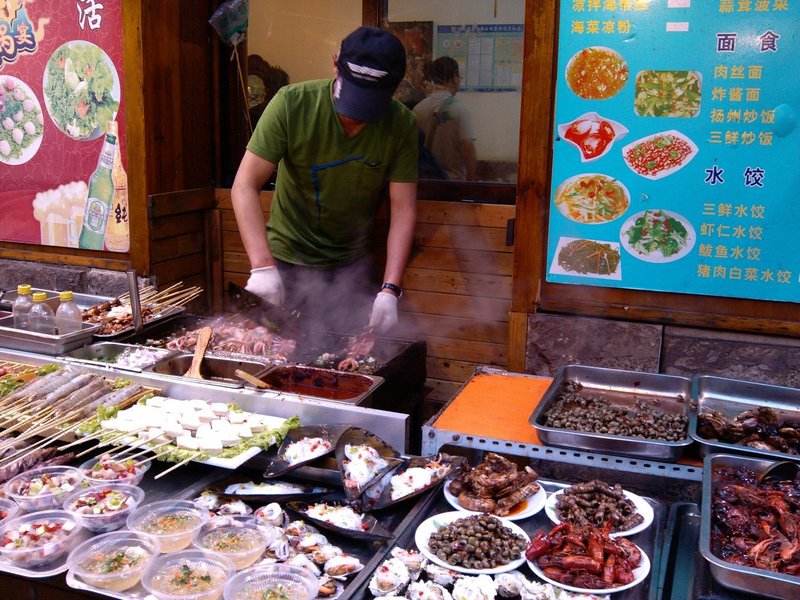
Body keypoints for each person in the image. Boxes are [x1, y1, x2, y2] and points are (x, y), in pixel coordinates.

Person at [231, 27, 418, 337]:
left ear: (395, 88)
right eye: (353, 98)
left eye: (369, 105)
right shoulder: (292, 104)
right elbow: (245, 185)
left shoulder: (401, 125)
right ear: (335, 65)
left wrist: (390, 289)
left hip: (351, 267)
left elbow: (404, 208)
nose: (356, 118)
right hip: (285, 261)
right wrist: (262, 266)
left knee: (342, 352)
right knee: (276, 351)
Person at [413, 57, 478, 181]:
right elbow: (467, 147)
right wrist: (472, 179)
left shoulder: (418, 109)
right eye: (459, 77)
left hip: (426, 182)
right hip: (453, 184)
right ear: (454, 78)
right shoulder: (460, 109)